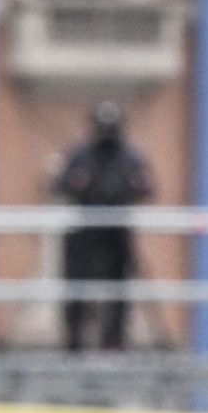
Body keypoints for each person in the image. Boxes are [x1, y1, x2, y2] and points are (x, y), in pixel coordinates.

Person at [51, 101, 153, 351]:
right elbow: (59, 185)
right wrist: (76, 185)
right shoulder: (80, 155)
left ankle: (114, 339)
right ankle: (74, 339)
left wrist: (134, 187)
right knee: (76, 285)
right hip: (83, 232)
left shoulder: (130, 157)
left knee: (119, 286)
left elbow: (147, 187)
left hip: (117, 233)